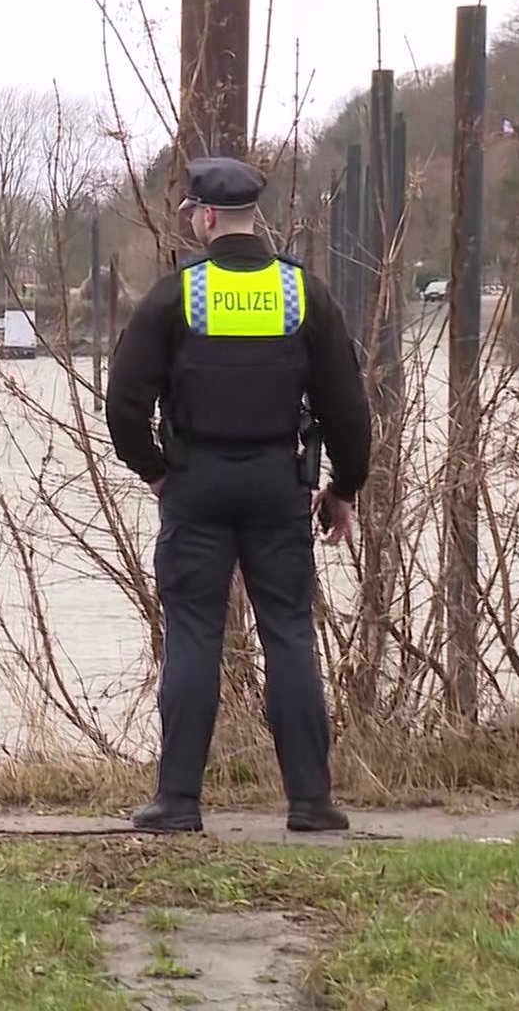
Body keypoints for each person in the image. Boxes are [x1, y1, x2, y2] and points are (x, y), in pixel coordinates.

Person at [104, 156, 371, 835]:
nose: (188, 220)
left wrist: (155, 471)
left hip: (196, 485)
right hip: (279, 485)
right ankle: (310, 803)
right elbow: (346, 403)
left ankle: (178, 803)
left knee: (193, 635)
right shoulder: (302, 293)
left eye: (191, 211)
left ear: (209, 218)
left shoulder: (176, 296)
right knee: (289, 633)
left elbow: (124, 403)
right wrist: (344, 486)